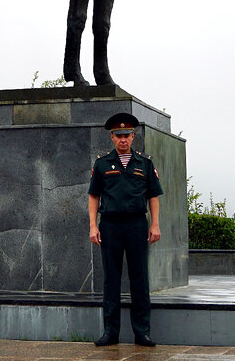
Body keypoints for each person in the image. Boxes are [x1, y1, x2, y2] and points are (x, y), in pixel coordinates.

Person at [88, 112, 163, 347]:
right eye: (118, 135)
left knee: (139, 278)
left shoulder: (145, 163)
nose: (123, 139)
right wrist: (92, 225)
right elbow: (93, 196)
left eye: (127, 135)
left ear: (133, 136)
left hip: (136, 225)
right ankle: (111, 332)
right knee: (111, 279)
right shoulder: (102, 164)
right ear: (112, 137)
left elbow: (153, 196)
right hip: (110, 226)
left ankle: (142, 332)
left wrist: (155, 224)